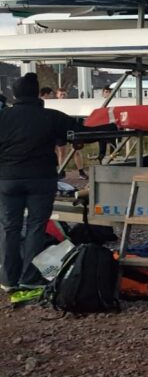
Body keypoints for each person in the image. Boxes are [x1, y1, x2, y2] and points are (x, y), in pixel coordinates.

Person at [0, 73, 78, 298]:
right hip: (41, 179)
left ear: (14, 94)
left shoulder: (3, 117)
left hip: (7, 179)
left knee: (8, 228)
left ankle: (7, 279)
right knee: (36, 227)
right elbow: (77, 131)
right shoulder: (51, 116)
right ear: (36, 93)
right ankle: (30, 278)